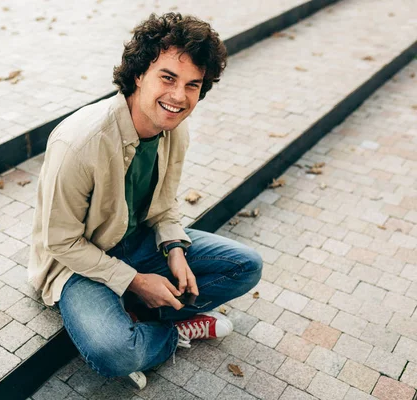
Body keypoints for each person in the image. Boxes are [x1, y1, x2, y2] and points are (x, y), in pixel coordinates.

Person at [29, 12, 262, 389]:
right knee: (115, 352)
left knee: (246, 266)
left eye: (192, 85)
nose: (178, 96)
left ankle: (140, 315)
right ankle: (173, 332)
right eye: (167, 78)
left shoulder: (174, 129)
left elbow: (164, 205)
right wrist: (135, 281)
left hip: (139, 244)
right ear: (139, 74)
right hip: (79, 264)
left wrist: (173, 247)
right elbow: (61, 241)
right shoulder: (79, 143)